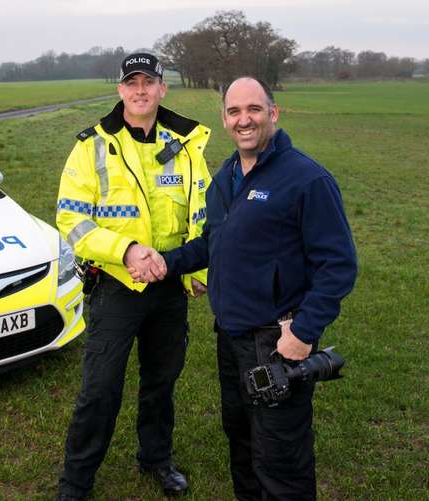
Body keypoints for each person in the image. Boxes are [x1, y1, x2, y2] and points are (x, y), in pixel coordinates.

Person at [150, 77, 358, 500]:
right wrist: (166, 262)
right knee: (241, 439)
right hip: (232, 338)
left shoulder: (307, 179)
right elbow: (214, 241)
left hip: (277, 341)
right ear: (224, 119)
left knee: (281, 456)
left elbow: (338, 266)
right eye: (234, 111)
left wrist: (303, 333)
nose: (244, 120)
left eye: (254, 110)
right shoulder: (225, 176)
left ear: (273, 113)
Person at [54, 52, 212, 500]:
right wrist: (125, 250)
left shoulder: (185, 144)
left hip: (169, 285)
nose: (140, 90)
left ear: (163, 88)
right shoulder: (92, 146)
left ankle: (155, 459)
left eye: (149, 82)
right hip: (117, 287)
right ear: (120, 90)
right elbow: (72, 220)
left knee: (161, 382)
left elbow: (201, 212)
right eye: (132, 82)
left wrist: (195, 268)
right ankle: (76, 481)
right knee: (100, 387)